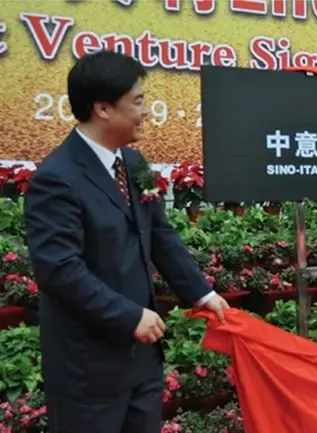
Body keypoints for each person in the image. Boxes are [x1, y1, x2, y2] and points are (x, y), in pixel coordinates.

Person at [23, 50, 230, 433]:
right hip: (88, 370)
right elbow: (59, 270)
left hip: (141, 363)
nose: (146, 111)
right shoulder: (57, 178)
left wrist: (202, 293)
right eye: (137, 101)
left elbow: (160, 237)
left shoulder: (134, 165)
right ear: (102, 108)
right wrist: (129, 316)